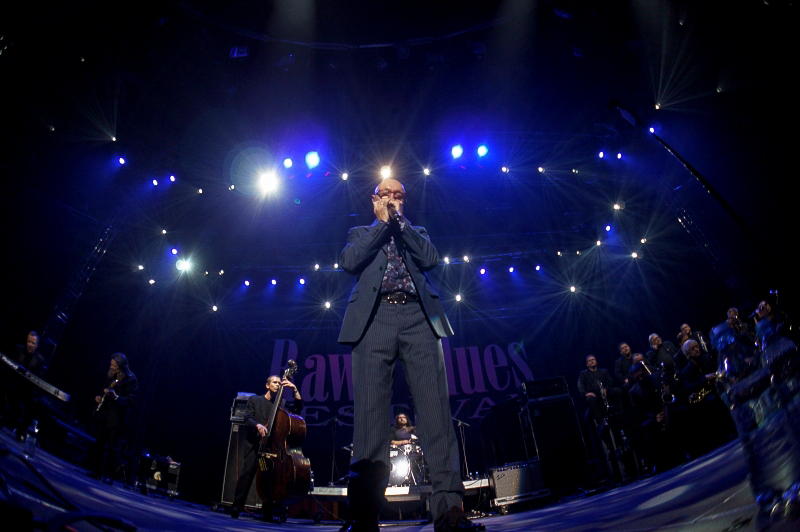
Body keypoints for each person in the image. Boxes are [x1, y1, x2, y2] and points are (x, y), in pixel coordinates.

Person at [337, 178, 483, 532]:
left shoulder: (416, 231)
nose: (392, 199)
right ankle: (364, 517)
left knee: (435, 415)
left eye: (398, 195)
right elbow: (349, 262)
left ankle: (449, 511)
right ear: (374, 200)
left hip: (419, 317)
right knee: (370, 418)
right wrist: (382, 224)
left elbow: (430, 259)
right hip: (374, 319)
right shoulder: (360, 232)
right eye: (386, 194)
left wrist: (399, 224)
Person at [231, 375, 303, 522]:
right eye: (274, 382)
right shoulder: (255, 400)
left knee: (268, 479)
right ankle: (236, 507)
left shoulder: (281, 404)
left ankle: (267, 513)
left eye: (279, 383)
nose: (277, 385)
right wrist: (257, 425)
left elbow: (297, 408)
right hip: (255, 446)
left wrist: (295, 390)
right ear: (267, 385)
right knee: (246, 476)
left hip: (271, 448)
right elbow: (247, 418)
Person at [89, 353, 138, 484]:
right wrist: (100, 397)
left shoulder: (131, 380)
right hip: (105, 414)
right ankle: (96, 471)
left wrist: (116, 397)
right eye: (111, 365)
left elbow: (130, 401)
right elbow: (102, 389)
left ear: (121, 366)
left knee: (112, 448)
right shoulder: (110, 375)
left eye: (114, 366)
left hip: (117, 419)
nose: (111, 367)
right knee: (99, 443)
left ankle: (109, 475)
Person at [1, 331, 49, 439]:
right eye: (29, 341)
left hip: (27, 391)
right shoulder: (18, 349)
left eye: (33, 343)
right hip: (13, 384)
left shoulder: (40, 361)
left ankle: (21, 431)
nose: (30, 345)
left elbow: (38, 380)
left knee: (32, 405)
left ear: (37, 345)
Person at [577, 355, 621, 429]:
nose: (592, 361)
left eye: (593, 359)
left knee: (617, 391)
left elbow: (609, 381)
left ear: (596, 361)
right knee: (590, 399)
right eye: (589, 360)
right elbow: (580, 385)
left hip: (605, 392)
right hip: (594, 395)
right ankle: (601, 422)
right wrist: (586, 393)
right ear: (587, 364)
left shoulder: (604, 371)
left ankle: (619, 413)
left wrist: (606, 389)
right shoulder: (583, 374)